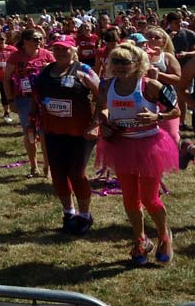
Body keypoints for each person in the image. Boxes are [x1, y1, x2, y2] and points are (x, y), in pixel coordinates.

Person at [95, 43, 179, 264]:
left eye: (126, 62)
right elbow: (101, 108)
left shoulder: (149, 85)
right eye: (116, 62)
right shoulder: (106, 85)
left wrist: (157, 117)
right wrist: (103, 121)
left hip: (149, 146)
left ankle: (163, 235)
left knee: (150, 199)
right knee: (130, 199)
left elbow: (177, 110)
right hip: (121, 145)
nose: (121, 67)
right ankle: (140, 239)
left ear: (138, 63)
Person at [31, 38, 100, 235]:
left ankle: (85, 215)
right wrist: (32, 120)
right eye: (57, 49)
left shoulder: (84, 70)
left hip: (80, 132)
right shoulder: (45, 71)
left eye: (65, 49)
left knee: (77, 174)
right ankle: (68, 213)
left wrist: (96, 123)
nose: (60, 52)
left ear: (74, 50)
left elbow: (102, 96)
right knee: (58, 174)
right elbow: (35, 96)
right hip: (53, 131)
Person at [3, 29, 55, 178]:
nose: (38, 41)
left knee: (44, 132)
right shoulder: (15, 56)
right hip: (24, 99)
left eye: (40, 38)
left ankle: (47, 165)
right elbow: (6, 79)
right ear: (25, 41)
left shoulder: (46, 54)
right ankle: (33, 166)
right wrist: (10, 100)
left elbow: (56, 73)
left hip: (45, 98)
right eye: (34, 39)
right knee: (30, 132)